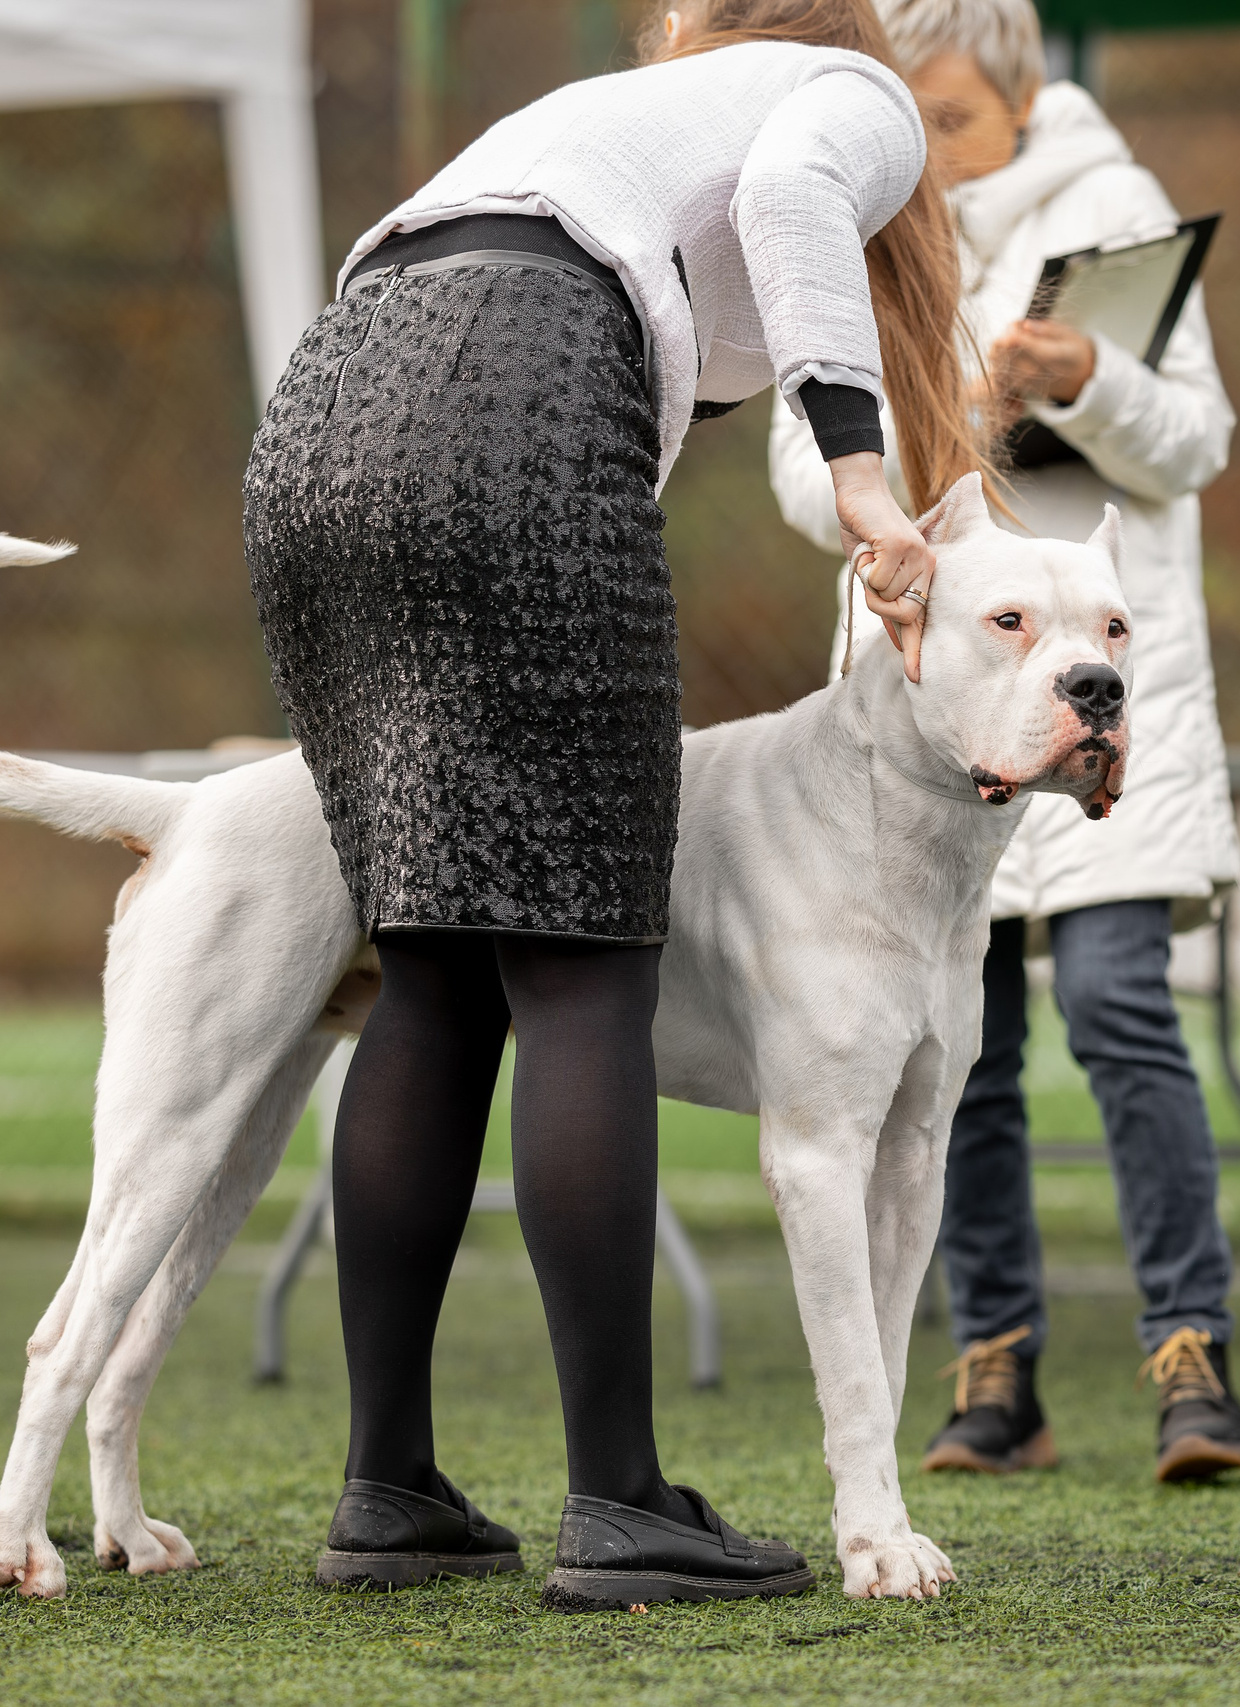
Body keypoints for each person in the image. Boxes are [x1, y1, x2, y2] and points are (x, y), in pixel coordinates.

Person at [243, 0, 983, 1606]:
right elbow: (798, 201)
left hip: (325, 410)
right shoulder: (850, 94)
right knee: (580, 961)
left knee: (434, 964)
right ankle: (622, 1503)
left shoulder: (615, 127)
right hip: (511, 398)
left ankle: (389, 1492)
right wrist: (865, 476)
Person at [767, 0, 1240, 1484]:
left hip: (1097, 689)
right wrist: (949, 425)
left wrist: (1085, 386)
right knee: (951, 1055)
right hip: (929, 723)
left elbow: (1200, 444)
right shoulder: (862, 234)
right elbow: (805, 478)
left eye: (957, 118)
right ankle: (998, 1376)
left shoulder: (1116, 210)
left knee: (1120, 1012)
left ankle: (1192, 1363)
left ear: (1023, 93)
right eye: (909, 120)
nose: (933, 148)